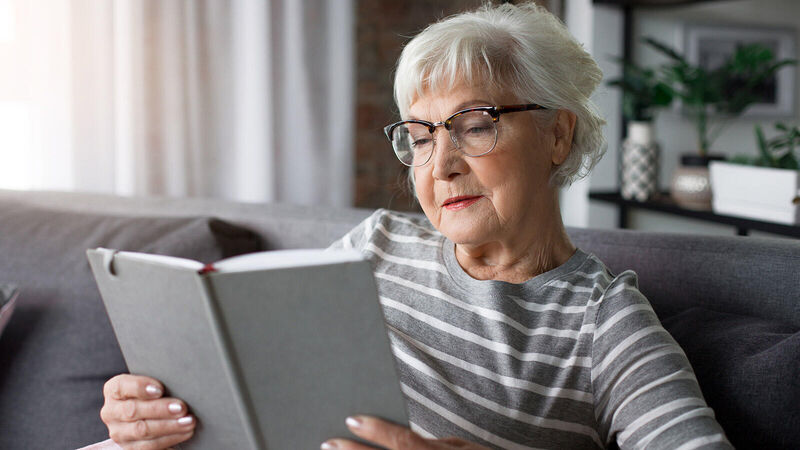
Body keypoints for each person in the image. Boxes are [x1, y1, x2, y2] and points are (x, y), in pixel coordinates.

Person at [92, 2, 732, 449]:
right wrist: (153, 412)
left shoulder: (605, 321)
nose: (442, 166)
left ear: (557, 134)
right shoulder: (376, 243)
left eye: (476, 125)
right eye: (421, 137)